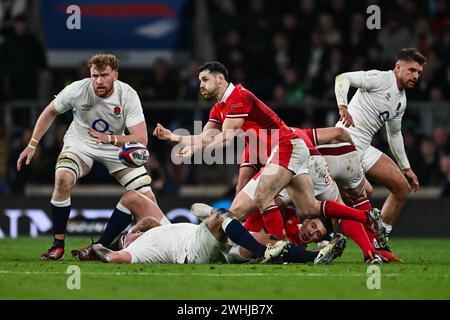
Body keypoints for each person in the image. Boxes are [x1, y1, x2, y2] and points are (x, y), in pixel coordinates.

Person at [153, 61, 384, 244]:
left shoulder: (238, 98)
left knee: (263, 197)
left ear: (220, 79)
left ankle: (278, 247)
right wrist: (174, 138)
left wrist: (189, 145)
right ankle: (366, 217)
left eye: (204, 79)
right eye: (199, 80)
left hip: (286, 146)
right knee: (309, 208)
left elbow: (224, 139)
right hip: (277, 152)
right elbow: (206, 136)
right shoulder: (219, 107)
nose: (201, 84)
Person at [16, 53, 167, 260]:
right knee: (62, 179)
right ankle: (58, 245)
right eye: (95, 75)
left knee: (146, 199)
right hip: (81, 143)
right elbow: (50, 111)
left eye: (104, 75)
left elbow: (141, 139)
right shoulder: (77, 90)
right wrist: (32, 144)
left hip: (115, 146)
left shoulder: (127, 95)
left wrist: (111, 139)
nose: (98, 81)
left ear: (115, 75)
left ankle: (107, 247)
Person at [91, 191, 347, 265]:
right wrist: (100, 249)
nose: (311, 232)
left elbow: (147, 222)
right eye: (314, 227)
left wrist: (141, 226)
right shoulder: (143, 250)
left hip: (191, 234)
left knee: (133, 197)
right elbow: (116, 257)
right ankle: (268, 252)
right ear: (130, 241)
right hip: (194, 248)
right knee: (264, 237)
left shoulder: (151, 231)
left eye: (316, 234)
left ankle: (215, 216)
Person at [334, 48, 426, 250]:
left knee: (402, 187)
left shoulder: (401, 101)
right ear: (398, 67)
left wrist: (407, 168)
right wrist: (343, 107)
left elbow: (394, 134)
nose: (416, 76)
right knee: (355, 194)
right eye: (412, 70)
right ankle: (323, 239)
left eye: (419, 72)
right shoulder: (380, 78)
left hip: (364, 148)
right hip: (344, 145)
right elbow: (342, 78)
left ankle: (380, 240)